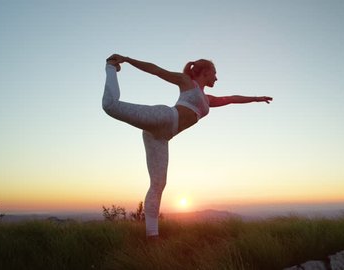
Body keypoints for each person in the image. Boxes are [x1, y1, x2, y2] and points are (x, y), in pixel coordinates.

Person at [102, 54, 272, 240]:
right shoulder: (186, 82)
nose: (216, 77)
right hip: (165, 117)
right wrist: (126, 60)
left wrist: (256, 98)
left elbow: (231, 98)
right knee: (110, 106)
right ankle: (111, 67)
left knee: (158, 184)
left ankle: (152, 236)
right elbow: (157, 70)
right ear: (205, 72)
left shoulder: (207, 99)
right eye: (214, 73)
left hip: (161, 138)